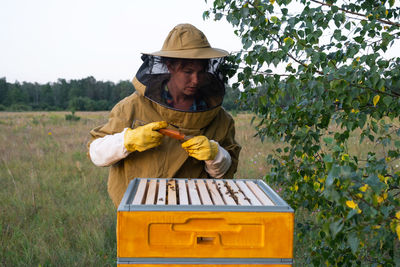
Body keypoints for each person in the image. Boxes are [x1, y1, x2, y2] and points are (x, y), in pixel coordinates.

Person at [88, 23, 241, 207]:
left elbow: (225, 174)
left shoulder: (220, 119)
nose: (196, 80)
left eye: (201, 72)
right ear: (170, 66)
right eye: (188, 72)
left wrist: (216, 155)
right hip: (139, 212)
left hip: (195, 213)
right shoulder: (132, 107)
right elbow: (96, 153)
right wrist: (128, 140)